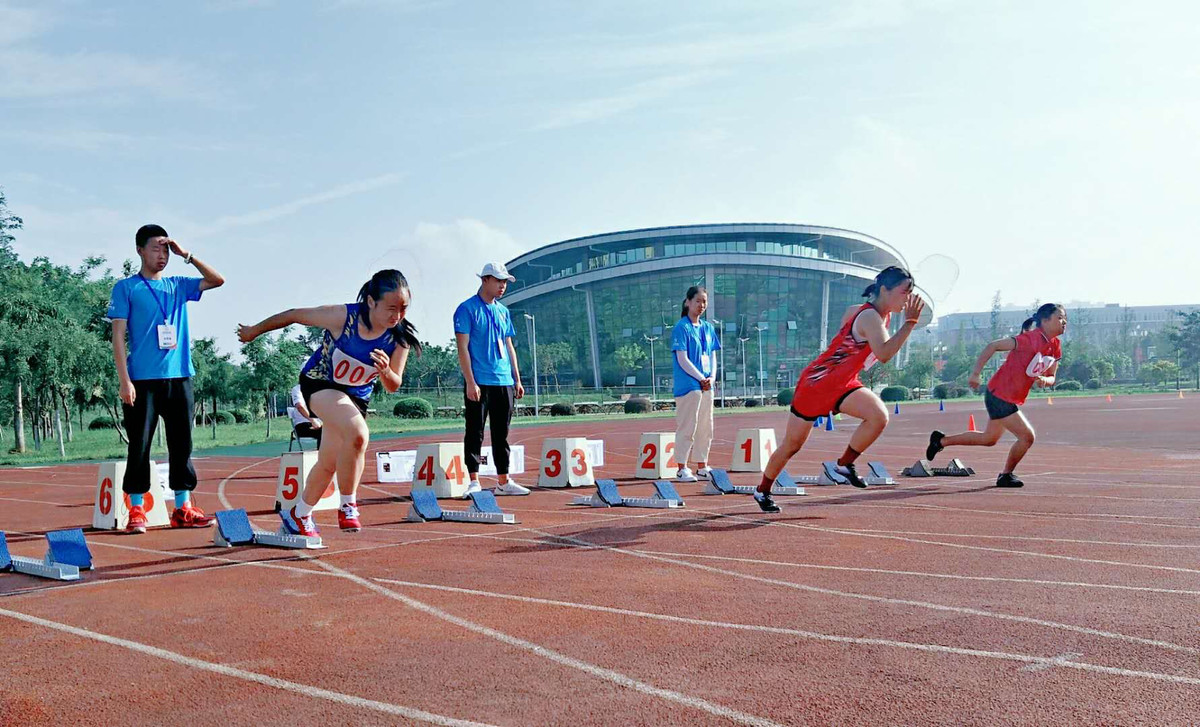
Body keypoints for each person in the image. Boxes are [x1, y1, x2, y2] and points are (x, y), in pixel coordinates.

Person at [238, 269, 420, 535]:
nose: (398, 316)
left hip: (355, 397)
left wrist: (385, 371)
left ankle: (299, 514)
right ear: (371, 301)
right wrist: (255, 331)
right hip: (320, 384)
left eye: (403, 309)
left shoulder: (399, 338)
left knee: (328, 462)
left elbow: (393, 385)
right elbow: (293, 315)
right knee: (358, 435)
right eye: (391, 308)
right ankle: (348, 506)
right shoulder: (342, 317)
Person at [755, 266, 925, 513]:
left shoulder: (872, 315)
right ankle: (763, 490)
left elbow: (850, 319)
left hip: (843, 382)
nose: (908, 299)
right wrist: (910, 323)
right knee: (791, 445)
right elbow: (885, 353)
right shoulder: (870, 317)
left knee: (878, 416)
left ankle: (845, 464)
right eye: (904, 292)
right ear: (885, 290)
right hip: (817, 384)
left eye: (910, 293)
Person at [107, 224, 225, 533]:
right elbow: (117, 337)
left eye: (166, 248)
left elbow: (217, 280)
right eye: (157, 248)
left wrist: (186, 254)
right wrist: (124, 380)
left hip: (180, 377)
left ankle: (183, 507)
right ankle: (136, 509)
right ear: (140, 250)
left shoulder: (178, 285)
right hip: (142, 381)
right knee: (139, 446)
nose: (163, 254)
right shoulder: (126, 288)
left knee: (181, 444)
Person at [925, 303, 1066, 488]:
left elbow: (1052, 377)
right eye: (1060, 318)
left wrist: (1043, 380)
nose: (1064, 322)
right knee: (1027, 437)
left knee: (989, 439)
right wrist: (975, 374)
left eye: (1065, 319)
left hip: (1010, 397)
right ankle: (1005, 475)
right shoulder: (1028, 339)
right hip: (999, 394)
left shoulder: (1055, 345)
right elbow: (993, 346)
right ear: (1045, 320)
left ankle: (940, 440)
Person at [453, 262, 528, 496]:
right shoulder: (466, 309)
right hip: (479, 380)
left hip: (503, 380)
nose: (502, 286)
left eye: (505, 282)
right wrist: (470, 381)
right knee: (474, 430)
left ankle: (503, 481)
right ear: (485, 280)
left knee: (501, 433)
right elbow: (462, 348)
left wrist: (517, 378)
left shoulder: (503, 311)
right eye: (498, 281)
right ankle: (474, 480)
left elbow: (508, 345)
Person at [671, 285, 720, 482]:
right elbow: (682, 359)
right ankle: (682, 467)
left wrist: (712, 377)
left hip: (707, 385)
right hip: (689, 385)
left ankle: (702, 465)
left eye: (704, 302)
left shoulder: (708, 328)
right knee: (687, 426)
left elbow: (713, 355)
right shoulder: (681, 328)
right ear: (688, 302)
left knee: (705, 426)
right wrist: (700, 377)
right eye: (698, 301)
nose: (701, 305)